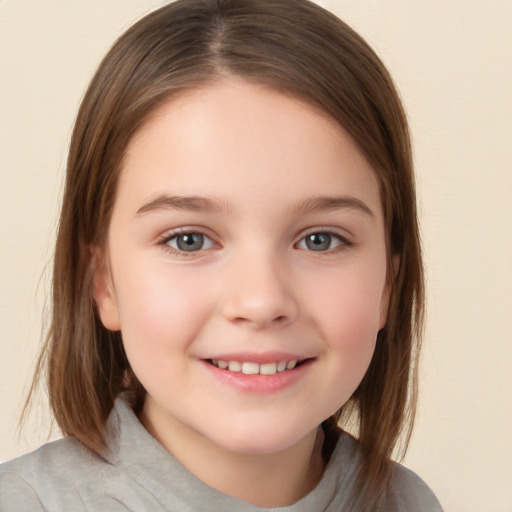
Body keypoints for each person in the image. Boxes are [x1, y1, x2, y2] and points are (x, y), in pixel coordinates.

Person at [0, 0, 444, 510]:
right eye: (188, 239)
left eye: (320, 239)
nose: (260, 301)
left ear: (388, 285)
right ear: (103, 282)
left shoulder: (408, 501)